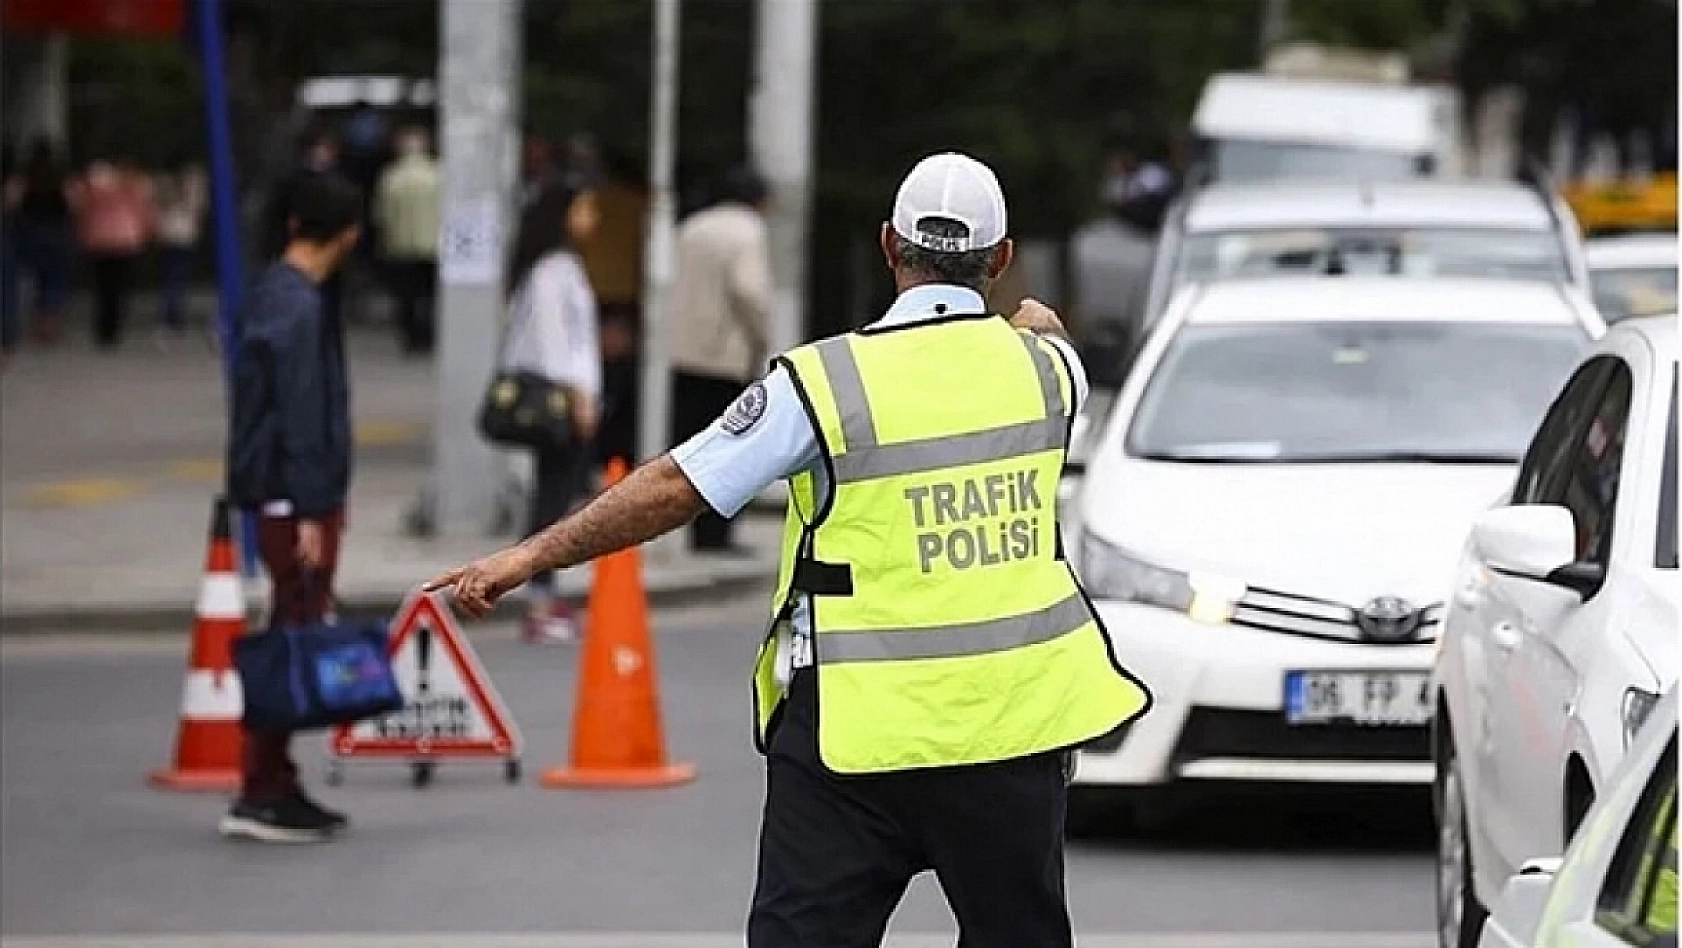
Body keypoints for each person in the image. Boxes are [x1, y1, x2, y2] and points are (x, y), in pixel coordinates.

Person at [425, 152, 1152, 946]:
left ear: (887, 246)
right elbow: (1044, 328)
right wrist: (1032, 320)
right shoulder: (1049, 374)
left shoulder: (823, 383)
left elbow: (677, 485)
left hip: (852, 739)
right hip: (1011, 734)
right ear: (1002, 258)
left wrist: (529, 558)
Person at [223, 172, 364, 843]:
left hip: (282, 491)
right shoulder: (299, 306)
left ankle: (273, 779)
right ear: (349, 234)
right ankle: (262, 787)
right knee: (292, 631)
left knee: (292, 623)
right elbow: (301, 414)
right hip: (292, 497)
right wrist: (313, 508)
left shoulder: (275, 293)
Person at [498, 180, 604, 644]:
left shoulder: (562, 266)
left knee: (557, 494)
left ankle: (544, 590)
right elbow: (553, 342)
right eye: (585, 208)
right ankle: (538, 596)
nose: (592, 219)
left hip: (570, 397)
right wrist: (579, 396)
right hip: (560, 401)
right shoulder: (551, 270)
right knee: (552, 499)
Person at [667, 165, 772, 553]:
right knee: (730, 447)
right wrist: (760, 338)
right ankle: (716, 535)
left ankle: (693, 529)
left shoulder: (691, 228)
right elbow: (749, 290)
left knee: (691, 446)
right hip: (725, 355)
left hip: (682, 351)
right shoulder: (748, 231)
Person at [72, 157, 155, 349]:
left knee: (103, 287)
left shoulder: (91, 190)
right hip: (125, 241)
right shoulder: (132, 188)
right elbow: (144, 211)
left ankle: (104, 328)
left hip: (99, 241)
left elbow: (81, 210)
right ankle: (113, 327)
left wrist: (82, 234)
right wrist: (147, 232)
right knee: (119, 287)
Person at [374, 127, 442, 354]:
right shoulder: (437, 175)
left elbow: (382, 214)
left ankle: (411, 336)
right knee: (430, 295)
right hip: (432, 244)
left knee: (407, 296)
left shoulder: (391, 178)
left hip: (400, 246)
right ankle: (428, 335)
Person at [5, 138, 76, 348]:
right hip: (56, 232)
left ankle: (28, 323)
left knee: (27, 279)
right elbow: (72, 203)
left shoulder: (25, 176)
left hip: (29, 232)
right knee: (54, 281)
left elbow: (12, 202)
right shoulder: (61, 177)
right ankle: (50, 327)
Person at [152, 161, 207, 343]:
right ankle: (175, 318)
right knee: (178, 280)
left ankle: (170, 318)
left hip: (170, 235)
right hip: (183, 236)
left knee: (170, 279)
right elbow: (198, 211)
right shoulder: (192, 188)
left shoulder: (165, 188)